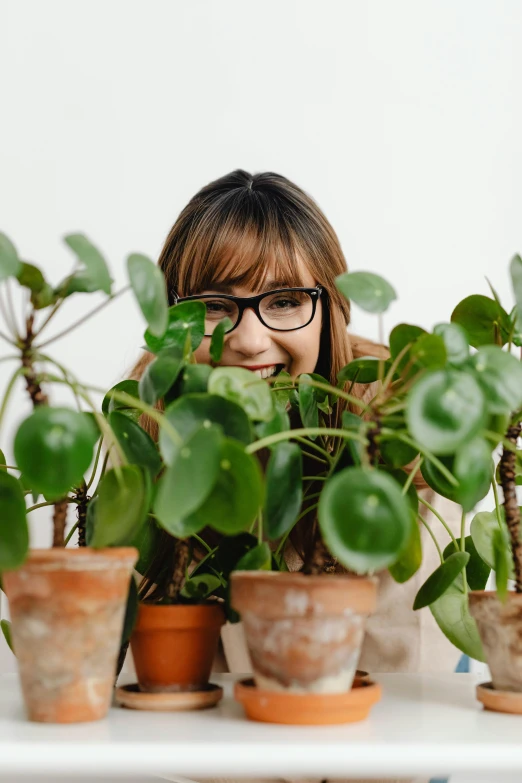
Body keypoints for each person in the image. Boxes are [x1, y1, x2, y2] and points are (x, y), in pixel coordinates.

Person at [129, 170, 461, 783]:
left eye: (284, 301)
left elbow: (403, 700)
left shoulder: (402, 428)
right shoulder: (149, 422)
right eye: (213, 306)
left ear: (330, 307)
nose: (250, 340)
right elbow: (157, 704)